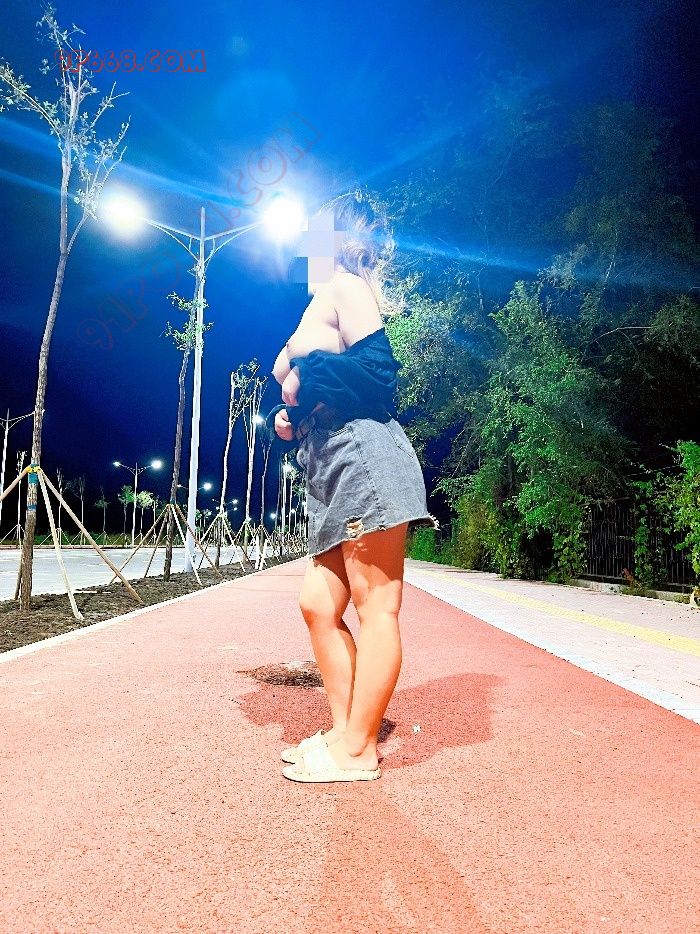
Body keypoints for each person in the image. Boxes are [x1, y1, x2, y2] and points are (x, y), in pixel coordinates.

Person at [270, 188, 439, 783]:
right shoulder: (323, 297)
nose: (304, 244)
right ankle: (345, 733)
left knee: (376, 607)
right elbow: (321, 383)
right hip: (329, 466)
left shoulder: (346, 286)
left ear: (338, 240)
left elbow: (379, 376)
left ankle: (358, 749)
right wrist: (292, 415)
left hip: (363, 457)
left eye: (315, 232)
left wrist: (304, 377)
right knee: (318, 603)